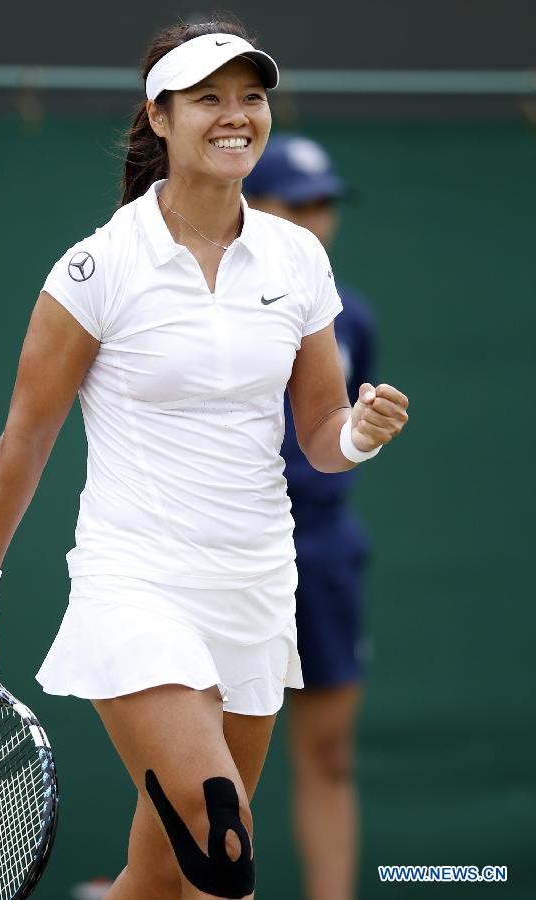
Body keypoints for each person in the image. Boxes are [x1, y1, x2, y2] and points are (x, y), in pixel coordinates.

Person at [0, 20, 409, 900]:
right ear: (159, 117)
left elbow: (317, 434)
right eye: (208, 99)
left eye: (250, 97)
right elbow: (24, 442)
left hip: (258, 587)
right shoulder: (95, 270)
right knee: (220, 835)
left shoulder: (297, 258)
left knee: (163, 878)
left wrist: (357, 434)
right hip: (137, 582)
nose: (235, 116)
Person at [245, 135, 376, 900]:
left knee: (327, 755)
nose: (313, 219)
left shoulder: (349, 318)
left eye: (322, 203)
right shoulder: (190, 308)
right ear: (251, 206)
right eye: (295, 202)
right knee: (208, 769)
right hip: (227, 550)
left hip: (322, 553)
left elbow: (335, 434)